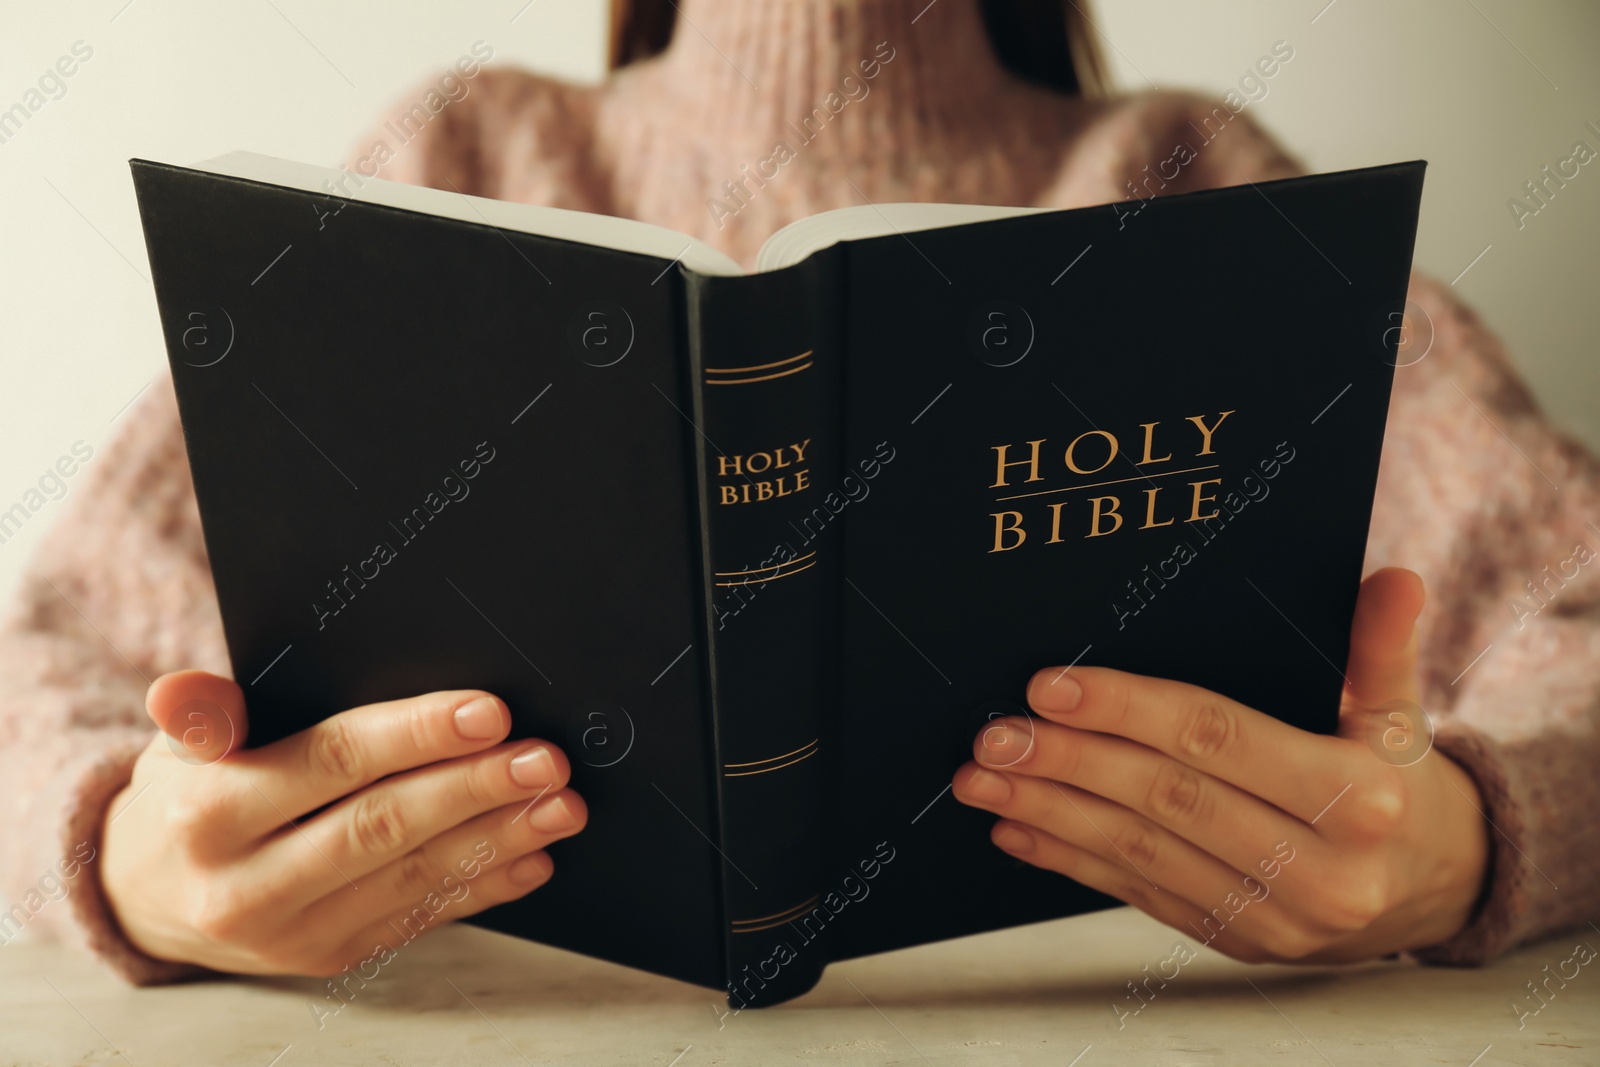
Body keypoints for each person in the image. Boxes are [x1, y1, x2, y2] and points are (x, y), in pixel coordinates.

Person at [1, 0, 1595, 984]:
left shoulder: (1188, 174)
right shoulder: (466, 156)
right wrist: (134, 866)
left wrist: (1461, 843)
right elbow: (44, 656)